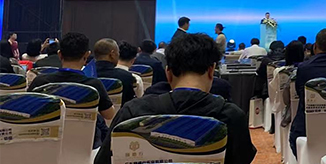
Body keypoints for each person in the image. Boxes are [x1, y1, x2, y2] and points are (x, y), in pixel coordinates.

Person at [95, 33, 256, 164]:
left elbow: (103, 161)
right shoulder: (231, 116)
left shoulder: (133, 112)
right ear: (211, 71)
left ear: (168, 73)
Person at [28, 32, 116, 148]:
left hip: (45, 147)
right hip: (86, 147)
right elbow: (109, 115)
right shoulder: (94, 85)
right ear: (86, 55)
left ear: (60, 55)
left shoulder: (40, 82)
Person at [289, 29, 326, 156]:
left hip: (306, 125)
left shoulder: (304, 67)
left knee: (294, 137)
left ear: (315, 46)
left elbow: (300, 93)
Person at [94, 38, 139, 106]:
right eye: (118, 53)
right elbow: (130, 105)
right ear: (112, 54)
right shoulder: (126, 77)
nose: (118, 55)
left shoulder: (85, 75)